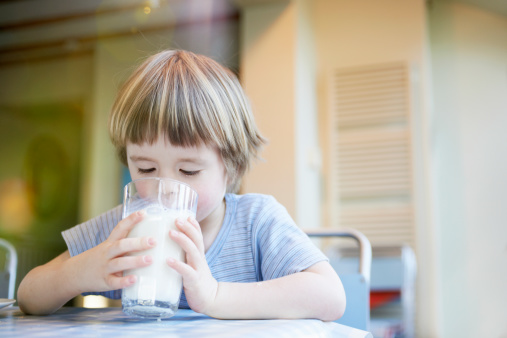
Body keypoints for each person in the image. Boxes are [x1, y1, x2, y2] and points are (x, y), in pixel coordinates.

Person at [17, 50, 346, 320]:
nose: (167, 186)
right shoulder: (124, 229)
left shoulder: (256, 222)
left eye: (188, 171)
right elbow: (29, 296)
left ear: (230, 167)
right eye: (146, 168)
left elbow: (330, 296)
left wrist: (216, 295)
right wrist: (80, 272)